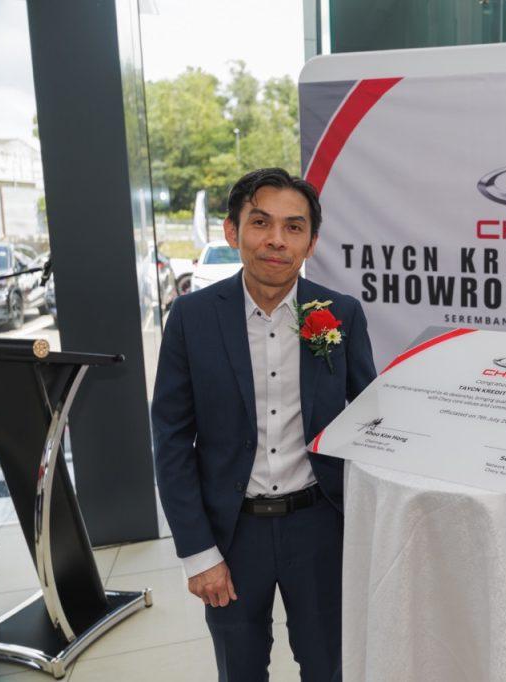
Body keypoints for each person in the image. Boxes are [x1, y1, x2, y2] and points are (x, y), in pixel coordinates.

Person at [152, 167, 376, 681]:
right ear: (233, 231)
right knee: (241, 669)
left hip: (320, 527)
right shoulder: (191, 318)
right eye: (260, 222)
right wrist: (198, 553)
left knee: (329, 666)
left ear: (311, 242)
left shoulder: (341, 315)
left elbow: (370, 421)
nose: (277, 240)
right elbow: (171, 439)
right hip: (232, 533)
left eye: (294, 227)